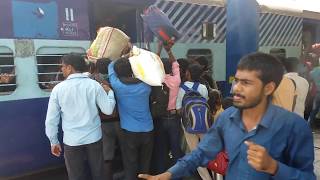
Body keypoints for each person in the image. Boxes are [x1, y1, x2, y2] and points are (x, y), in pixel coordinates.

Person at [138, 52, 315, 180]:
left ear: (268, 88)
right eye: (236, 80)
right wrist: (169, 173)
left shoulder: (295, 128)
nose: (236, 88)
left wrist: (274, 167)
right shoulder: (228, 117)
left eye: (246, 83)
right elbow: (201, 153)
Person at [45, 53, 116, 180]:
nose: (61, 69)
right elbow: (108, 110)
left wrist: (53, 141)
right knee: (99, 173)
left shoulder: (58, 89)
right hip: (94, 138)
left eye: (63, 66)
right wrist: (110, 93)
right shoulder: (94, 85)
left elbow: (51, 119)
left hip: (72, 141)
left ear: (70, 68)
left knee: (76, 176)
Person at [108, 57, 154, 180]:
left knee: (130, 163)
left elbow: (110, 68)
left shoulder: (117, 86)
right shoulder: (146, 86)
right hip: (148, 130)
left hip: (129, 132)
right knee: (146, 162)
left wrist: (120, 56)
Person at [152, 43, 184, 174]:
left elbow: (153, 64)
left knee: (161, 147)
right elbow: (176, 64)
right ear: (170, 68)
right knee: (175, 147)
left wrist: (159, 49)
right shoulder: (176, 80)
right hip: (173, 118)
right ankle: (177, 174)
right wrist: (168, 51)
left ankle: (160, 172)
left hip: (160, 118)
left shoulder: (155, 79)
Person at [176, 63, 211, 180]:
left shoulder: (182, 88)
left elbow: (178, 109)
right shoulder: (203, 87)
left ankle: (206, 178)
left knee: (195, 152)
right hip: (204, 123)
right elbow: (205, 103)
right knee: (208, 149)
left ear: (188, 74)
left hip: (189, 125)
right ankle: (217, 173)